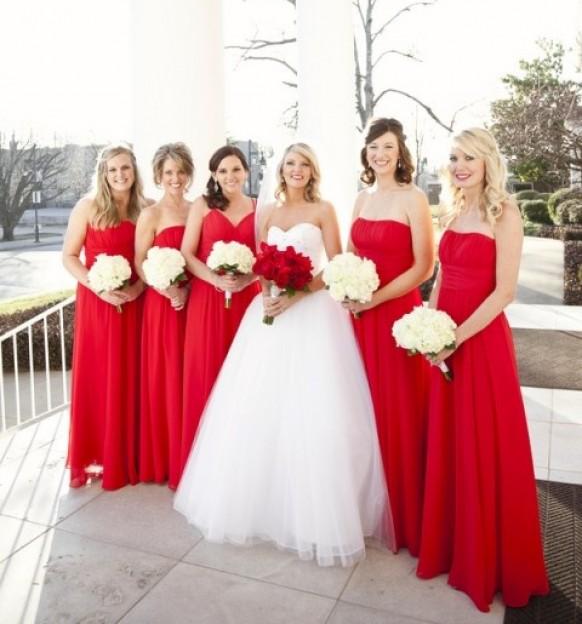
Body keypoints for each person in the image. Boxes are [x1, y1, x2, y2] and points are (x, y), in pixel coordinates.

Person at [174, 143, 394, 566]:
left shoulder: (325, 210)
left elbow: (335, 264)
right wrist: (269, 295)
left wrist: (296, 295)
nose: (297, 170)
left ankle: (316, 515)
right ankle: (264, 507)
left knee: (314, 410)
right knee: (260, 409)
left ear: (313, 171)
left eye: (304, 164)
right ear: (281, 169)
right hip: (269, 314)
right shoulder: (268, 212)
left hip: (314, 317)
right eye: (290, 163)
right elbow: (262, 262)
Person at [416, 127, 549, 611]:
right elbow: (441, 277)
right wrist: (429, 328)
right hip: (444, 341)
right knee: (451, 442)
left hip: (480, 342)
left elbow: (505, 292)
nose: (460, 165)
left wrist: (455, 339)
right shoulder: (451, 210)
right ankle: (454, 547)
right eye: (454, 157)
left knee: (483, 443)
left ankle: (489, 558)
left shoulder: (505, 213)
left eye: (470, 156)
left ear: (489, 161)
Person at [346, 117, 434, 555]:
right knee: (359, 408)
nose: (380, 154)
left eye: (388, 147)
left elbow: (424, 266)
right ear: (366, 153)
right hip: (358, 318)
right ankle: (365, 505)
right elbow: (349, 256)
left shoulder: (413, 198)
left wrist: (376, 298)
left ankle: (404, 509)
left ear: (401, 153)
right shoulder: (361, 198)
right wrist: (348, 289)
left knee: (398, 406)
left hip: (397, 316)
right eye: (373, 147)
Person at [63, 143, 147, 490]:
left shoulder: (146, 209)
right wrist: (97, 287)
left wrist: (137, 290)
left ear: (134, 170)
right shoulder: (88, 207)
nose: (120, 175)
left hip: (135, 302)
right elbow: (69, 256)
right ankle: (99, 454)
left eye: (125, 168)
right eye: (113, 170)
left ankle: (132, 455)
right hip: (98, 303)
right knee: (100, 375)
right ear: (103, 173)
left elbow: (151, 259)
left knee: (132, 375)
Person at [179, 145, 259, 474]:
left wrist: (248, 278)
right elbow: (187, 253)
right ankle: (204, 466)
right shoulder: (202, 205)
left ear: (246, 172)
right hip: (208, 300)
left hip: (246, 299)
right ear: (214, 175)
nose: (230, 176)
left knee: (247, 377)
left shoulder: (258, 206)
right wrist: (215, 279)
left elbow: (265, 254)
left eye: (236, 169)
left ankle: (243, 462)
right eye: (223, 171)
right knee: (207, 371)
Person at [135, 143, 193, 490]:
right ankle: (169, 459)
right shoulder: (151, 215)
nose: (175, 178)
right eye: (168, 172)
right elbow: (140, 262)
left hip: (196, 300)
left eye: (180, 171)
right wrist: (166, 287)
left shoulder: (198, 208)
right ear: (158, 176)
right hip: (163, 304)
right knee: (168, 377)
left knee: (193, 375)